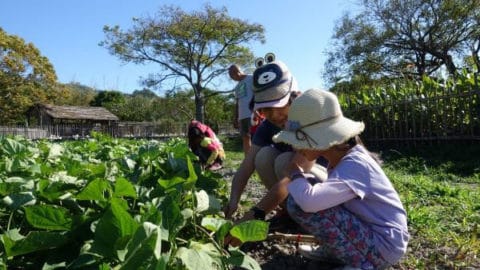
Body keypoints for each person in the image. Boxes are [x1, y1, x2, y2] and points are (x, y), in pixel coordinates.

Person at [272, 89, 410, 269]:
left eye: (298, 141)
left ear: (319, 139)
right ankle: (340, 251)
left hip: (383, 246)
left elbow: (309, 202)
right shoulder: (342, 160)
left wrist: (296, 174)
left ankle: (362, 264)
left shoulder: (355, 165)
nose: (294, 147)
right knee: (310, 193)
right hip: (376, 238)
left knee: (300, 203)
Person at [224, 54, 327, 233]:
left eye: (279, 106)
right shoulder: (268, 126)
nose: (274, 115)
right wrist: (233, 202)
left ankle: (314, 219)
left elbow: (291, 178)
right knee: (263, 157)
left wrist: (254, 215)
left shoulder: (309, 118)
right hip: (304, 184)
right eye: (266, 110)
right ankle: (292, 214)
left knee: (285, 161)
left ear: (294, 96)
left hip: (333, 185)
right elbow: (246, 166)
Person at [229, 64, 254, 156]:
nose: (232, 78)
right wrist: (236, 118)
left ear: (238, 71)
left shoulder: (252, 78)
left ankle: (258, 160)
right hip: (242, 116)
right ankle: (248, 160)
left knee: (256, 138)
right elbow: (237, 103)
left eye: (232, 75)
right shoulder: (237, 87)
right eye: (231, 76)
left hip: (253, 114)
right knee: (245, 138)